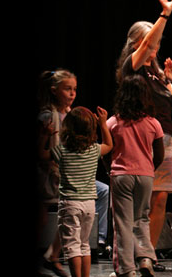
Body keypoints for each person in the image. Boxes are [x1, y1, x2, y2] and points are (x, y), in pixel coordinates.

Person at [114, 0, 172, 265]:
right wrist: (165, 13)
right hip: (137, 137)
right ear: (136, 44)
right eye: (148, 43)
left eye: (156, 43)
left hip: (164, 137)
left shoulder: (158, 71)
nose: (154, 47)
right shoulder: (131, 66)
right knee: (135, 200)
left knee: (160, 197)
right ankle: (128, 256)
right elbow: (145, 47)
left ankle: (148, 254)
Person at [39, 106, 114, 277]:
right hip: (89, 205)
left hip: (70, 204)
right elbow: (109, 145)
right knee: (84, 245)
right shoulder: (94, 150)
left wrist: (45, 134)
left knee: (72, 247)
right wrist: (103, 123)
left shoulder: (62, 151)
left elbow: (41, 155)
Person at [106, 74, 165, 277]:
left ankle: (126, 269)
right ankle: (146, 259)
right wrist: (148, 169)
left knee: (123, 223)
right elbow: (160, 155)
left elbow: (106, 150)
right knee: (141, 220)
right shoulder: (153, 123)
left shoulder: (112, 123)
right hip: (145, 176)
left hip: (121, 175)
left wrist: (110, 168)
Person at [37, 69, 78, 277]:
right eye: (67, 89)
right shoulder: (46, 115)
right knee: (42, 218)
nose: (72, 93)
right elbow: (40, 148)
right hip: (46, 171)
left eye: (74, 89)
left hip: (64, 171)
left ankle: (53, 255)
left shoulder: (71, 115)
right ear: (54, 91)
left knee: (71, 214)